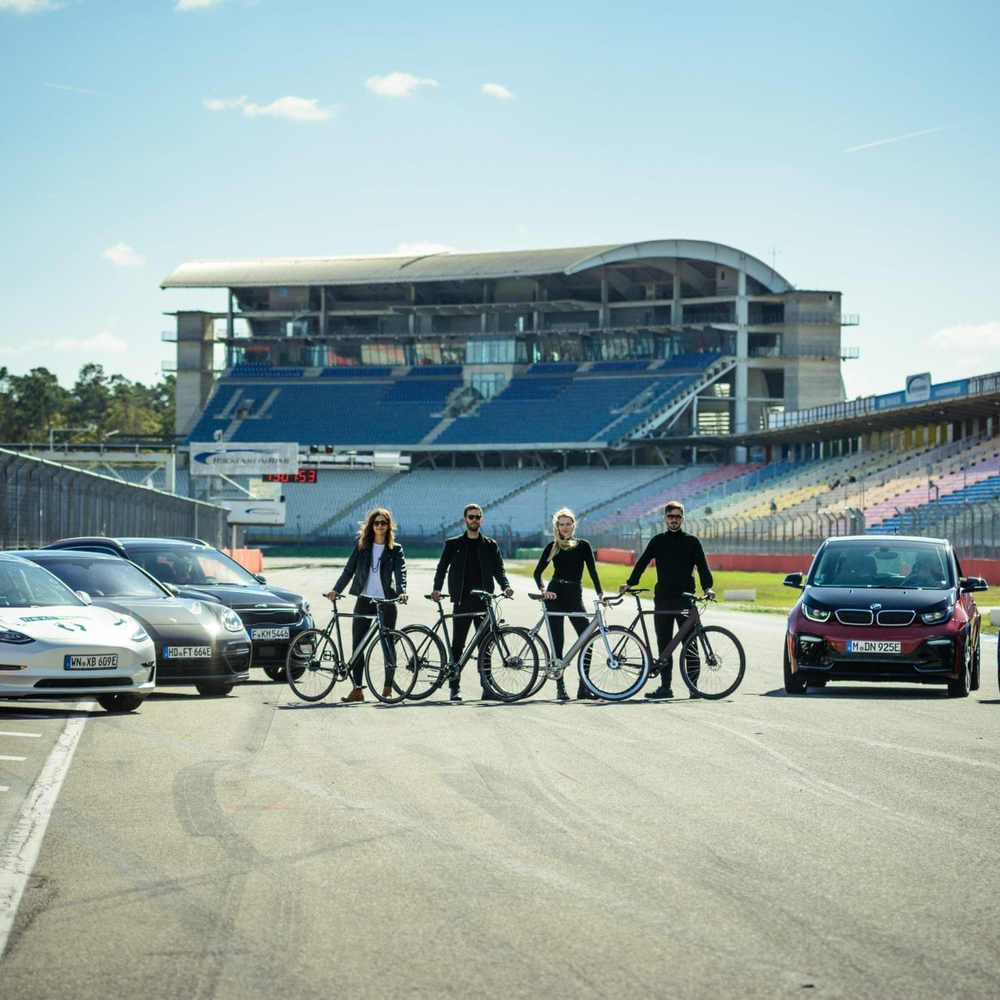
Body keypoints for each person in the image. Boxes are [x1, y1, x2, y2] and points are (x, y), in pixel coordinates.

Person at [619, 500, 715, 700]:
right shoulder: (658, 540)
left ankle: (693, 687)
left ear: (683, 518)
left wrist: (707, 587)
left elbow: (703, 567)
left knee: (690, 645)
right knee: (664, 645)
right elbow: (643, 562)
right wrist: (630, 582)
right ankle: (665, 687)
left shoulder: (692, 541)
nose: (674, 520)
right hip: (662, 599)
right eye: (671, 516)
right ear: (665, 518)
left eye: (678, 516)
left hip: (685, 599)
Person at [431, 503, 513, 701]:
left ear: (482, 520)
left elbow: (498, 570)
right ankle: (454, 687)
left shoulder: (490, 545)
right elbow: (442, 568)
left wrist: (506, 586)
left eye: (477, 517)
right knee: (457, 645)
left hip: (484, 601)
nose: (474, 520)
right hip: (461, 601)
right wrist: (437, 588)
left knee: (485, 646)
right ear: (464, 520)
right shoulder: (453, 544)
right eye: (471, 517)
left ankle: (487, 687)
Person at [326, 508, 407, 702]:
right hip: (364, 600)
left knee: (388, 644)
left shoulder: (395, 549)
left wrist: (401, 590)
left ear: (389, 526)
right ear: (371, 525)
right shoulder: (362, 547)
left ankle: (387, 688)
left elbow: (400, 572)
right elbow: (348, 571)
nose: (380, 526)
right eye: (376, 523)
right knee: (358, 646)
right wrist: (336, 590)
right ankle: (357, 689)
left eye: (383, 523)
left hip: (385, 601)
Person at [533, 508, 604, 701]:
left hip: (574, 595)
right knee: (558, 643)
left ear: (574, 525)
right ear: (557, 526)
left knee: (587, 639)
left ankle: (584, 687)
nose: (565, 527)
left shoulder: (583, 545)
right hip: (554, 596)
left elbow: (592, 571)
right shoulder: (553, 546)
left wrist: (600, 592)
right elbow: (537, 573)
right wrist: (542, 591)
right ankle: (560, 687)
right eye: (561, 524)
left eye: (568, 524)